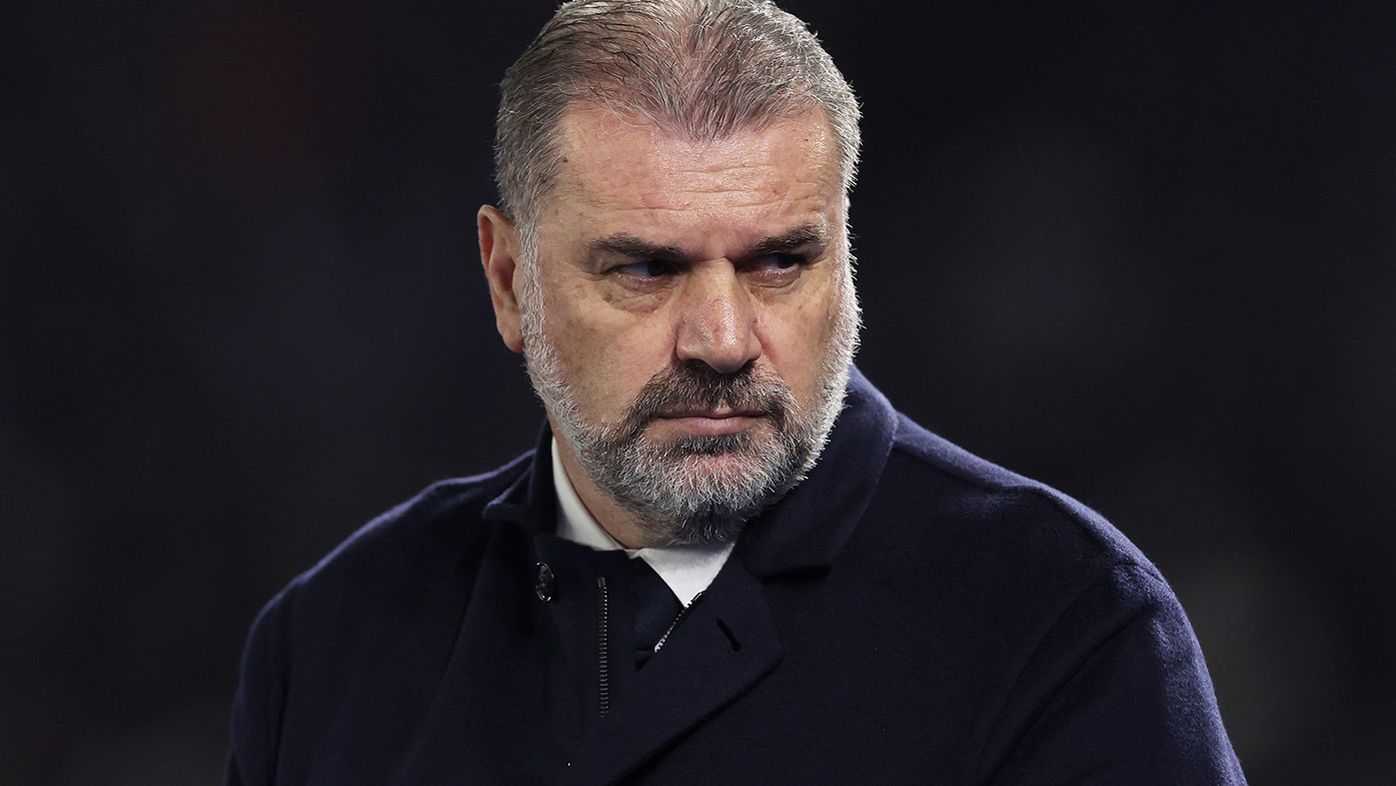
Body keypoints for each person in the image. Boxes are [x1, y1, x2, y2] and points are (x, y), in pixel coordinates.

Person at [226, 1, 1247, 783]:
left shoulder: (1062, 629)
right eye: (644, 270)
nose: (721, 341)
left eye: (778, 263)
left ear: (843, 265)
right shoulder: (332, 644)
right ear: (509, 283)